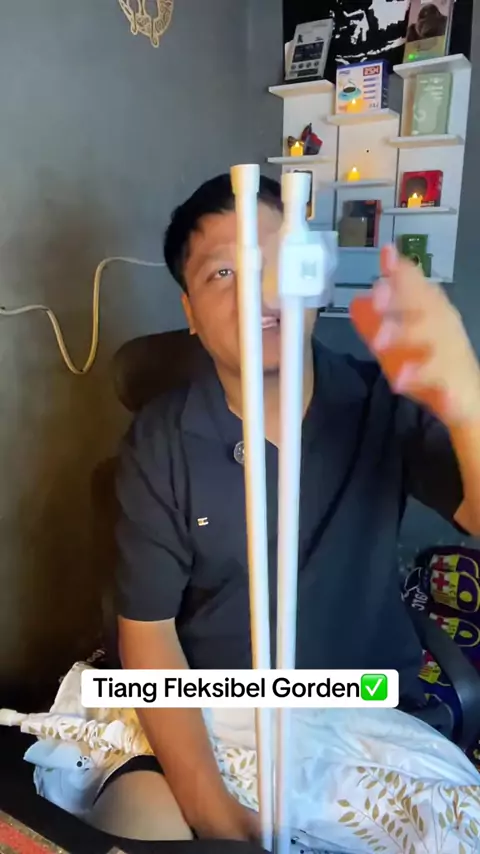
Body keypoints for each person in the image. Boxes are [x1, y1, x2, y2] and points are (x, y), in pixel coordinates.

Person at [89, 174, 480, 842]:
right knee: (139, 818)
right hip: (212, 714)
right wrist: (215, 817)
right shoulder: (160, 442)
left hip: (362, 720)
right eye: (222, 273)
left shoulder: (382, 402)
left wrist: (466, 399)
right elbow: (149, 636)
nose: (257, 291)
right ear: (189, 311)